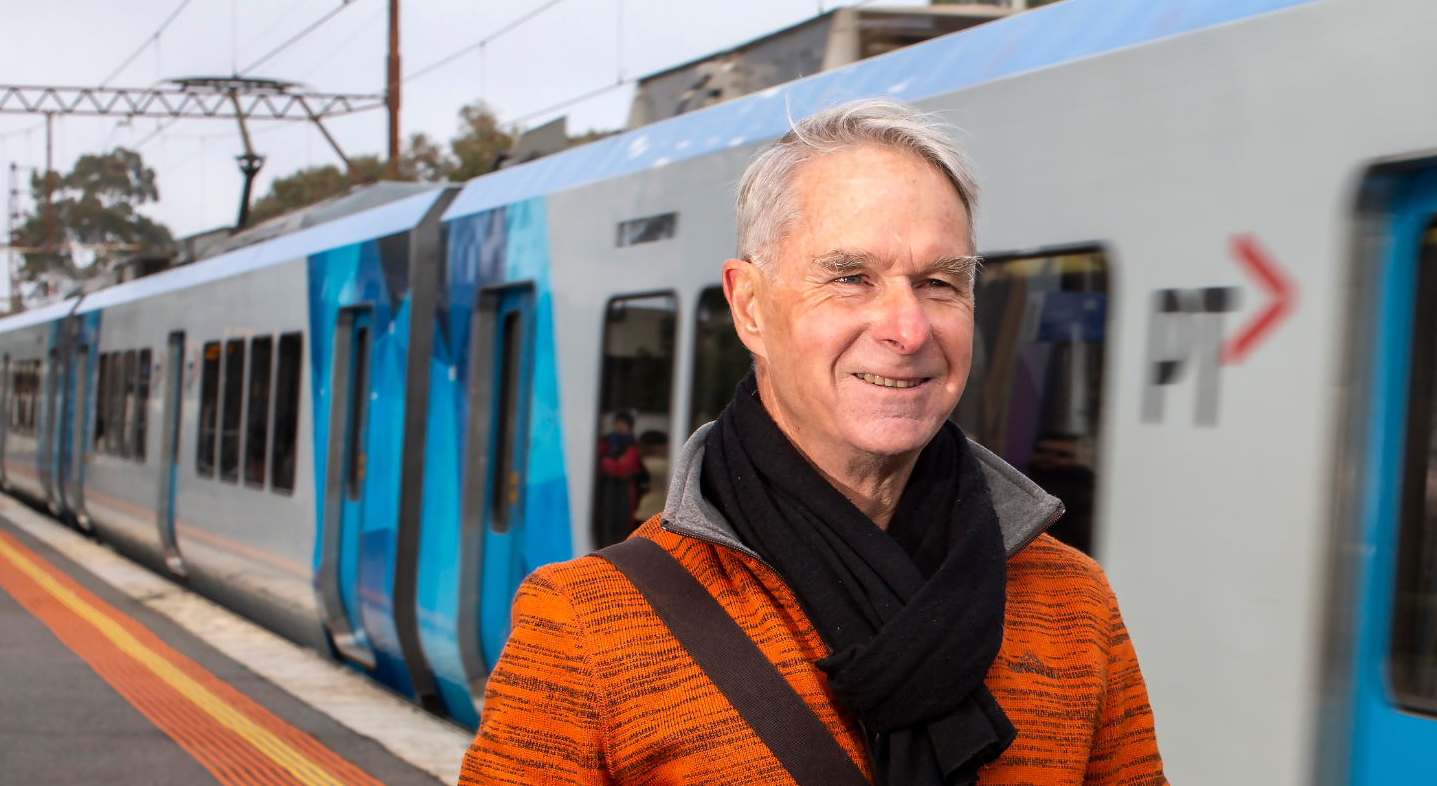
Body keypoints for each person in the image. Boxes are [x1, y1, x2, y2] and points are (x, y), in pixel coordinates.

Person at [461, 99, 1165, 786]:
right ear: (749, 308)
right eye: (852, 278)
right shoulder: (586, 629)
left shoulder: (1073, 606)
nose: (909, 329)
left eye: (940, 283)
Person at [1027, 433, 1096, 554]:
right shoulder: (1025, 483)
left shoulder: (1085, 492)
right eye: (1041, 451)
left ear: (1076, 459)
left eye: (1061, 454)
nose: (1048, 457)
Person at [594, 412, 646, 542]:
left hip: (624, 496)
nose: (620, 427)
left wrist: (605, 462)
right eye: (618, 423)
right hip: (605, 493)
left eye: (623, 424)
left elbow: (622, 470)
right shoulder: (604, 443)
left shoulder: (632, 447)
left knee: (620, 528)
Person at [632, 429, 669, 522]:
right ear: (656, 446)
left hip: (641, 511)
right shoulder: (663, 465)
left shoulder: (640, 463)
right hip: (656, 512)